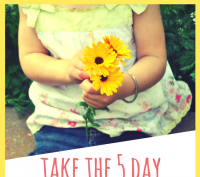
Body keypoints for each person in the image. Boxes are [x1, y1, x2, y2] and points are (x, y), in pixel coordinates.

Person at [18, 4, 192, 155]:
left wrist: (125, 85)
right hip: (62, 118)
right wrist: (68, 70)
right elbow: (30, 56)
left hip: (132, 117)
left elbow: (153, 57)